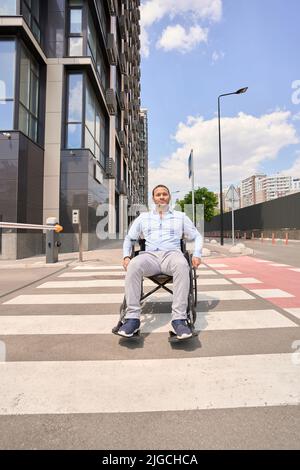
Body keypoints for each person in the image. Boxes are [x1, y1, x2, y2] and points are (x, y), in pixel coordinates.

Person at [117, 184, 203, 339]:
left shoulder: (180, 216)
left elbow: (197, 236)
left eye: (164, 194)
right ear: (153, 198)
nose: (161, 197)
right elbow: (129, 238)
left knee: (183, 264)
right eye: (158, 194)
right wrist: (126, 256)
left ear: (169, 197)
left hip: (172, 255)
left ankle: (179, 320)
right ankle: (132, 319)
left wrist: (197, 254)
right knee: (134, 265)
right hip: (150, 256)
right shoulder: (144, 217)